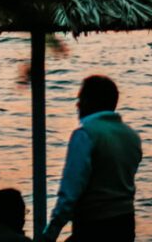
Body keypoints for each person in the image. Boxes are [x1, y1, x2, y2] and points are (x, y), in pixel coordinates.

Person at [41, 75, 142, 242]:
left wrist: (50, 233)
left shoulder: (85, 134)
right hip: (125, 224)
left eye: (80, 98)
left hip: (93, 226)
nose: (77, 104)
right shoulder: (132, 136)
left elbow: (70, 191)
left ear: (89, 101)